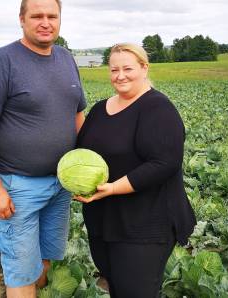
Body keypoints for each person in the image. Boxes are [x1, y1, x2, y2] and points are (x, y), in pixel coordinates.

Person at [0, 0, 86, 297]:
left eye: (52, 16)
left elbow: (77, 116)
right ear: (22, 19)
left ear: (60, 19)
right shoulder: (2, 61)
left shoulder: (66, 59)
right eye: (37, 16)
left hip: (61, 185)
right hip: (18, 187)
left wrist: (85, 170)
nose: (45, 22)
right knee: (20, 270)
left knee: (45, 259)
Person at [75, 43, 196, 298]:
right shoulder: (99, 109)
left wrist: (113, 188)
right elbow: (81, 153)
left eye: (128, 68)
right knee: (117, 288)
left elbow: (164, 163)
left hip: (145, 224)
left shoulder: (158, 108)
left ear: (144, 68)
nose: (120, 76)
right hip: (104, 220)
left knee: (136, 292)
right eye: (114, 69)